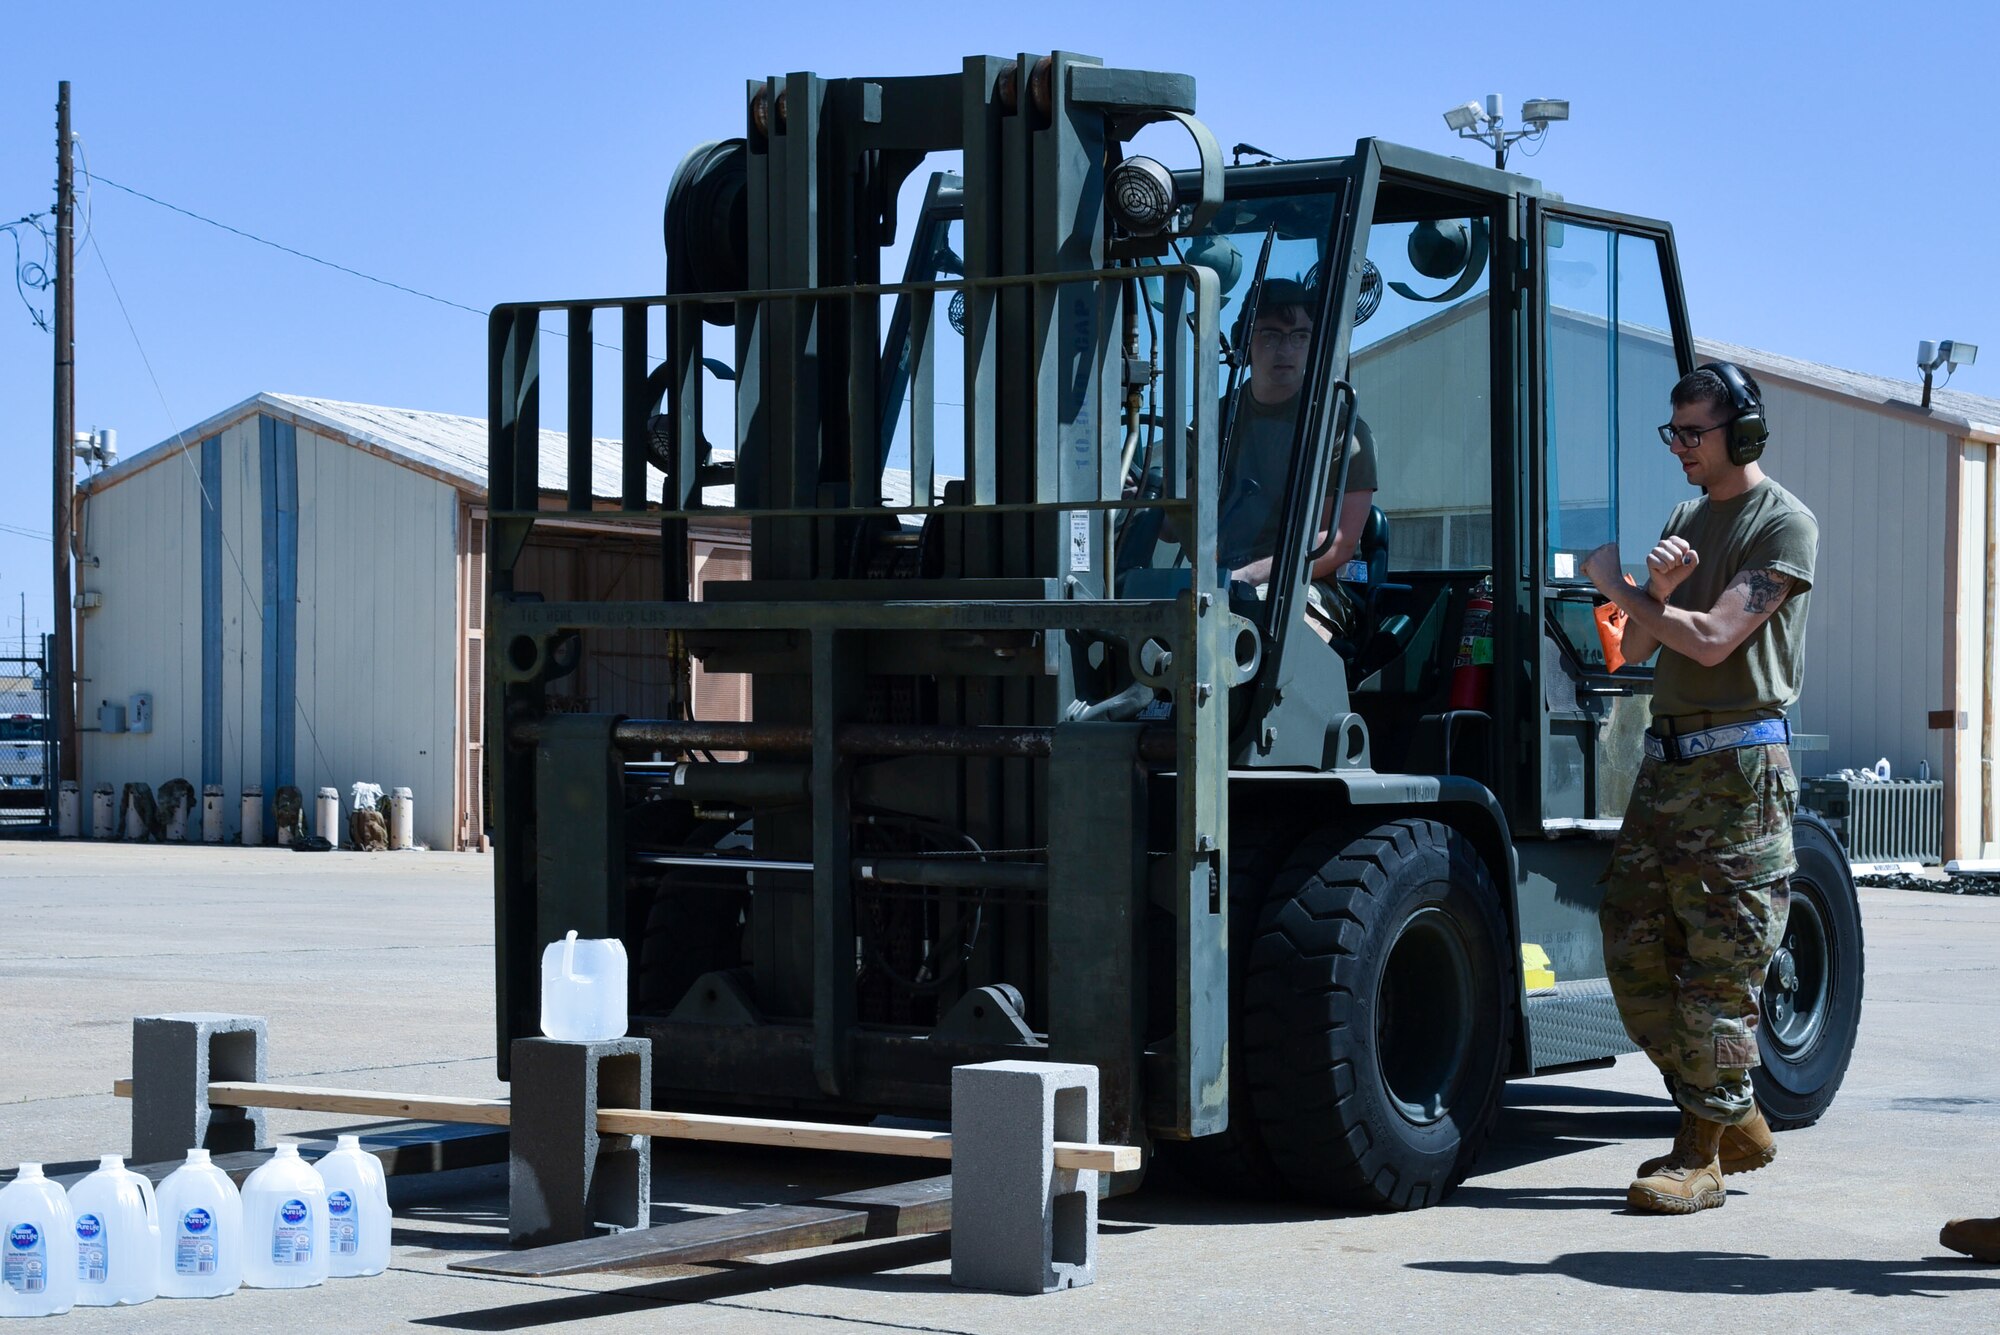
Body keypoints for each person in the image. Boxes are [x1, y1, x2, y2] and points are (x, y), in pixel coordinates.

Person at [1580, 362, 1817, 1216]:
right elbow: (1633, 654)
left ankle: (1700, 1154)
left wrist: (1617, 586)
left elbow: (1717, 641)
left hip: (1740, 772)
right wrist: (1651, 594)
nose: (1678, 447)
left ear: (1742, 435)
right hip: (1669, 763)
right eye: (1671, 431)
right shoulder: (1686, 520)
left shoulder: (1783, 524)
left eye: (1693, 433)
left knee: (1721, 969)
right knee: (1634, 949)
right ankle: (1735, 1113)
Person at [1216, 279, 1377, 641]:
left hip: (1313, 587)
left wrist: (1249, 575)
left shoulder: (1341, 429)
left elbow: (1337, 543)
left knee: (1259, 634)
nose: (1285, 350)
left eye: (1299, 337)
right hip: (1221, 585)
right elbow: (1180, 515)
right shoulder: (1216, 424)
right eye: (1271, 336)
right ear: (1246, 342)